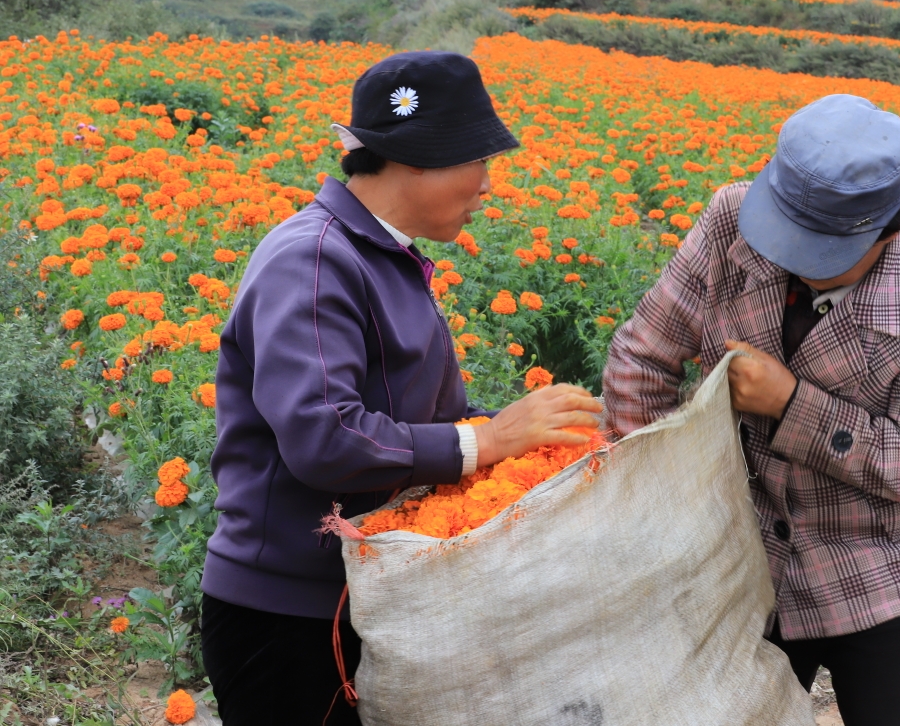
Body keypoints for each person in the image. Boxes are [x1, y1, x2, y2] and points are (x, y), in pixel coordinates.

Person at [199, 51, 602, 725]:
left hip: (370, 596)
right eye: (479, 161)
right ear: (418, 157)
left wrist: (537, 447)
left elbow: (434, 419)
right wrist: (494, 436)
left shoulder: (382, 256)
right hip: (290, 616)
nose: (487, 186)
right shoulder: (316, 259)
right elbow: (327, 439)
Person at [602, 94, 900, 726]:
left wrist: (791, 405)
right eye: (788, 239)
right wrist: (655, 510)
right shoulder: (730, 221)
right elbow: (641, 358)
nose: (792, 264)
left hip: (877, 569)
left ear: (886, 230)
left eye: (819, 253)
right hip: (740, 558)